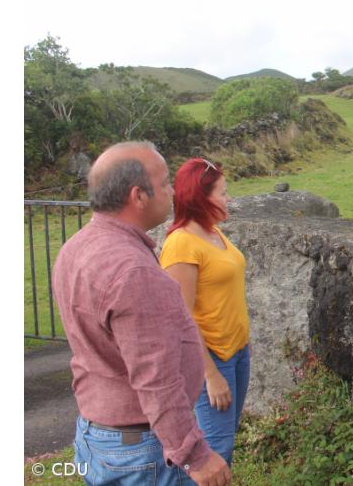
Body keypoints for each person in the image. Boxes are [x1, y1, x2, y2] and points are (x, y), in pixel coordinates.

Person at [52, 141, 231, 486]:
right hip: (141, 451)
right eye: (164, 183)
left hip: (97, 434)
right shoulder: (133, 271)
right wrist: (195, 456)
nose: (172, 192)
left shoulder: (76, 247)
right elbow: (157, 380)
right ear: (138, 196)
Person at [160, 158, 250, 466]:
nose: (229, 199)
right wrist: (210, 375)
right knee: (215, 451)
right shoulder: (181, 244)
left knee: (225, 439)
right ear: (201, 197)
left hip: (236, 352)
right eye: (223, 193)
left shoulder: (212, 233)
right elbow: (180, 317)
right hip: (212, 359)